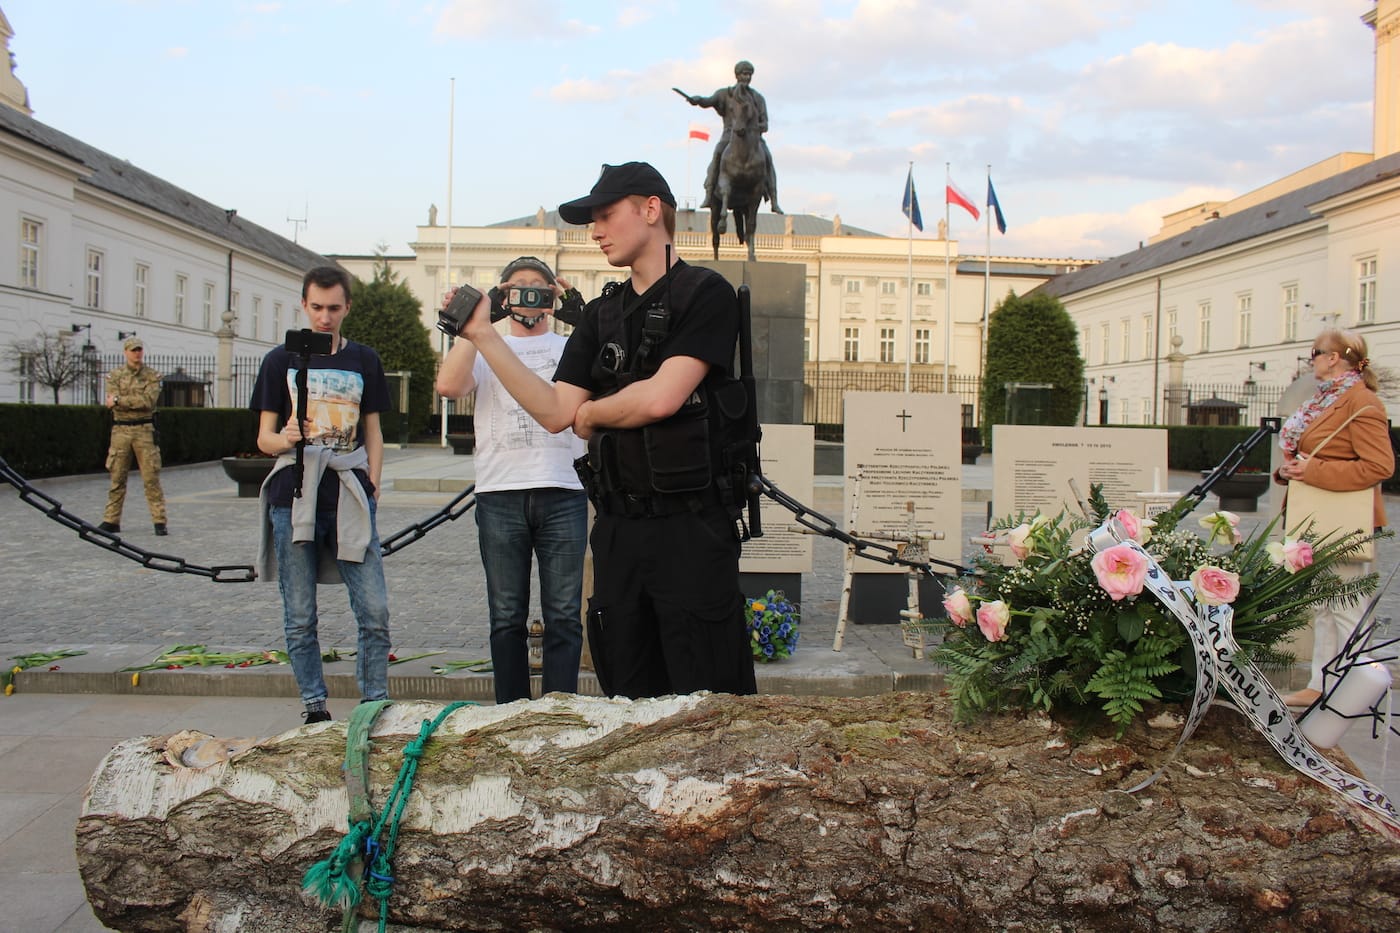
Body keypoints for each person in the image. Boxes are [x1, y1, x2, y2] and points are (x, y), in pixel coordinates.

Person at [451, 162, 757, 700]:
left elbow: (661, 396)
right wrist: (483, 336)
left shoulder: (704, 293)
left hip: (691, 529)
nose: (594, 230)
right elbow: (553, 411)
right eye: (591, 220)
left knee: (706, 694)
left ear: (651, 209)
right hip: (619, 533)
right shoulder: (601, 314)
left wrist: (592, 415)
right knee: (628, 690)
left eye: (605, 214)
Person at [436, 257, 587, 704]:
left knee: (564, 615)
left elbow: (602, 376)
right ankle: (511, 711)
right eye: (517, 288)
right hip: (500, 493)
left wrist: (578, 316)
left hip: (564, 490)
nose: (528, 297)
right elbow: (447, 385)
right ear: (504, 292)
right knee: (506, 616)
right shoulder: (487, 346)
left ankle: (559, 711)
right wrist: (483, 321)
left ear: (552, 295)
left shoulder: (569, 347)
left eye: (538, 288)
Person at [250, 265, 392, 724]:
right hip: (294, 493)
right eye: (317, 307)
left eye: (334, 308)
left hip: (348, 490)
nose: (325, 317)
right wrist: (287, 436)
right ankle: (314, 706)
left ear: (347, 307)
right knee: (300, 613)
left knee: (374, 609)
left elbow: (373, 431)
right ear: (304, 305)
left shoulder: (364, 359)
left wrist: (373, 483)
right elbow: (263, 439)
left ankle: (372, 702)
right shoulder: (279, 360)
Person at [1275, 327, 1391, 710]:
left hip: (1341, 519)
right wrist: (1289, 472)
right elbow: (1308, 453)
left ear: (1334, 357)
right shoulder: (1325, 400)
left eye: (1315, 352)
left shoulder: (1362, 403)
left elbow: (1379, 465)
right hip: (1316, 514)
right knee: (1324, 603)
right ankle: (1321, 684)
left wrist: (1315, 471)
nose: (1311, 360)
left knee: (1345, 605)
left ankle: (1355, 688)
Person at [684, 60, 782, 214]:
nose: (747, 77)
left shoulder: (758, 98)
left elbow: (765, 124)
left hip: (753, 139)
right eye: (744, 74)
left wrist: (755, 129)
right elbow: (708, 101)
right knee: (717, 154)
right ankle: (709, 194)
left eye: (749, 74)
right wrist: (697, 100)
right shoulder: (725, 94)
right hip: (729, 136)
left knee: (768, 159)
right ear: (737, 75)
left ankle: (774, 200)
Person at [99, 336, 168, 536]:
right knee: (117, 477)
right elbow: (110, 402)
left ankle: (159, 520)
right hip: (120, 430)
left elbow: (148, 401)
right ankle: (111, 519)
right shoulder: (115, 376)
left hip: (144, 430)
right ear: (126, 352)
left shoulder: (151, 376)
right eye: (133, 350)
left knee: (151, 478)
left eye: (139, 349)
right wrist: (121, 401)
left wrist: (120, 399)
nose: (137, 353)